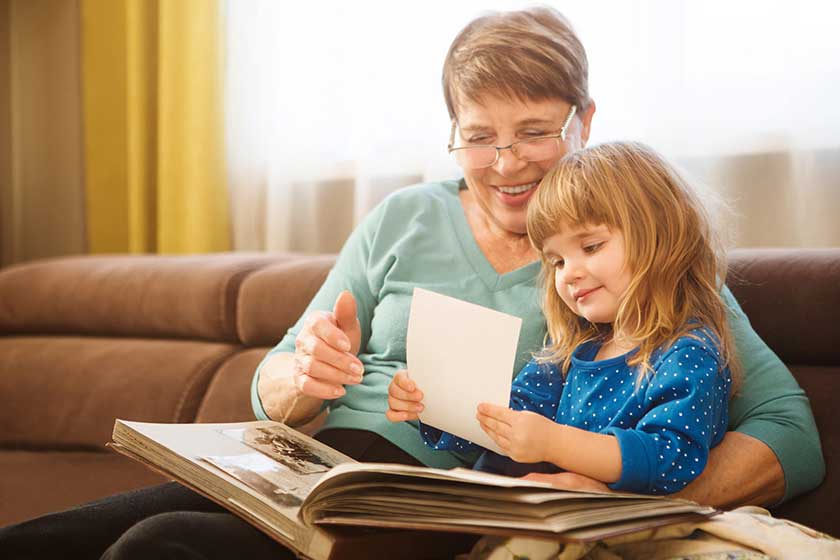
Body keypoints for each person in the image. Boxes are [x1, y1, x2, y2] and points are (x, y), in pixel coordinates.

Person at [0, 7, 823, 560]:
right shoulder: (401, 216)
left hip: (423, 500)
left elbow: (789, 431)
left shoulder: (635, 256)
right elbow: (273, 383)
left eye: (535, 131)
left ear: (585, 121)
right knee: (55, 537)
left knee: (158, 547)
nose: (506, 164)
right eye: (478, 136)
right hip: (312, 457)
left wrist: (615, 500)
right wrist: (301, 376)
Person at [387, 141, 739, 495]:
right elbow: (508, 416)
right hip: (524, 506)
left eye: (590, 247)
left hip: (597, 518)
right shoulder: (572, 351)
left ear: (659, 236)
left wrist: (553, 443)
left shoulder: (687, 353)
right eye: (557, 261)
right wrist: (435, 401)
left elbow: (670, 458)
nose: (569, 273)